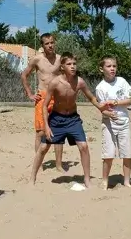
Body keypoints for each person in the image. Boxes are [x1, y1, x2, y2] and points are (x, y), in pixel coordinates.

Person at [29, 52, 114, 188]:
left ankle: (87, 179)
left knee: (84, 146)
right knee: (44, 147)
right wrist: (46, 126)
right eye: (69, 64)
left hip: (73, 119)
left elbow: (92, 98)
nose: (73, 66)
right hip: (56, 119)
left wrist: (101, 108)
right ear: (62, 66)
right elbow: (45, 106)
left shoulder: (79, 82)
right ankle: (32, 177)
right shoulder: (55, 83)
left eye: (74, 64)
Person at [21, 33, 65, 172]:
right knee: (40, 132)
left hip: (57, 97)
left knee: (58, 132)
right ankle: (38, 163)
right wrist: (29, 93)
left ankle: (58, 165)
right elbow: (24, 75)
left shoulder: (60, 59)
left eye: (52, 42)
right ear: (42, 45)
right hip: (42, 96)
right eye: (47, 43)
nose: (50, 45)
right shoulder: (37, 59)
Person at [95, 56, 131, 189]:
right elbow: (102, 109)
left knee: (127, 153)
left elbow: (130, 100)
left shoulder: (122, 81)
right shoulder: (100, 88)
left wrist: (116, 102)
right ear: (102, 69)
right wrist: (108, 113)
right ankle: (105, 180)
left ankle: (127, 181)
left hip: (124, 122)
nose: (112, 69)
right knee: (108, 154)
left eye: (114, 66)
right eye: (109, 66)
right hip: (109, 124)